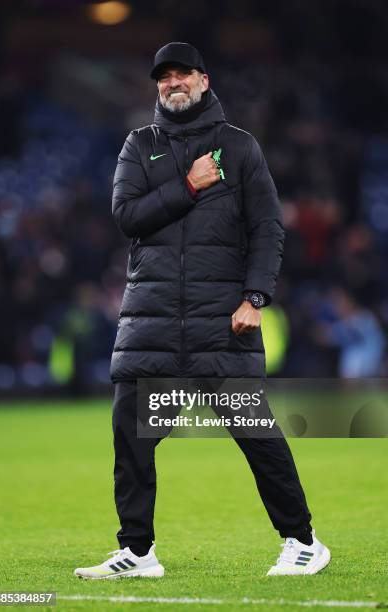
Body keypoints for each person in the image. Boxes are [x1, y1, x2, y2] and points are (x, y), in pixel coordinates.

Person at [74, 42, 330, 580]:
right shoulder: (138, 145)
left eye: (182, 74)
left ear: (204, 81)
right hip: (154, 324)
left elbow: (268, 228)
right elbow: (127, 216)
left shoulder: (239, 149)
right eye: (163, 77)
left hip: (222, 323)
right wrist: (188, 186)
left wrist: (255, 297)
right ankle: (138, 552)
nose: (173, 83)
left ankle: (303, 542)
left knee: (256, 435)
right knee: (133, 440)